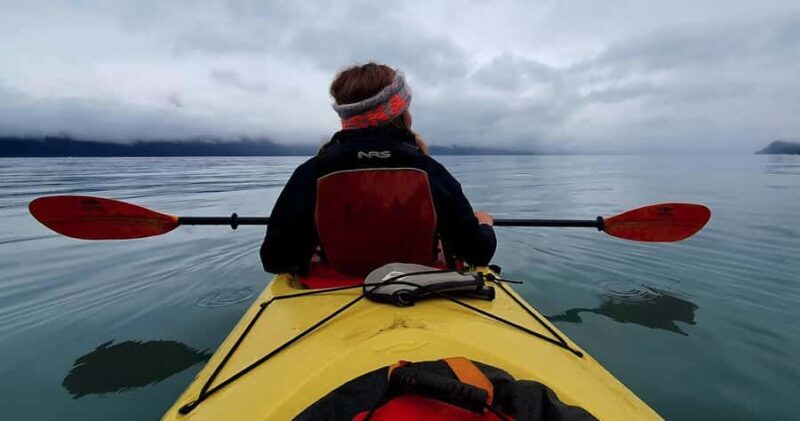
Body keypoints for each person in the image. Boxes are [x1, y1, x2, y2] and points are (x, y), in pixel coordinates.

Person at [260, 63, 495, 277]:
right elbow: (478, 253)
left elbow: (275, 259)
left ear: (346, 116)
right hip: (418, 290)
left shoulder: (312, 173)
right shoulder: (430, 171)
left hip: (328, 296)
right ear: (402, 112)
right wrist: (484, 225)